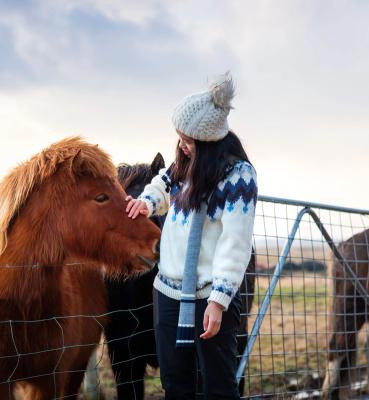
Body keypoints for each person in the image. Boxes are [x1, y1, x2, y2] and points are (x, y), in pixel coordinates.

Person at [125, 72, 257, 399]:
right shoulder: (185, 161)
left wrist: (219, 300)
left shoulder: (238, 176)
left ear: (208, 140)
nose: (180, 146)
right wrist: (146, 203)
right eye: (179, 137)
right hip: (167, 292)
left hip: (210, 297)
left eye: (187, 139)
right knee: (176, 385)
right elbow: (163, 183)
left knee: (217, 388)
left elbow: (235, 243)